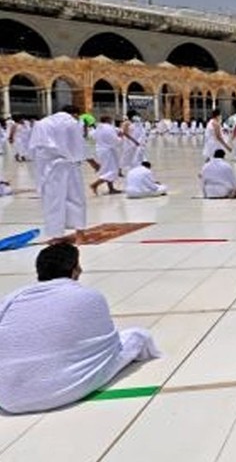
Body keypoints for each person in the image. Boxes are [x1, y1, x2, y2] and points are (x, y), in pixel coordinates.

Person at [0, 243, 160, 414]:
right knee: (137, 336)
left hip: (8, 398)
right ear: (74, 270)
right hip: (63, 389)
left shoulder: (13, 298)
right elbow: (109, 346)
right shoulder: (89, 296)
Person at [28, 106, 87, 240]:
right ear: (74, 114)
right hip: (70, 165)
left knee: (53, 201)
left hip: (50, 168)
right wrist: (77, 158)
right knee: (76, 199)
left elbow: (34, 148)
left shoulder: (42, 123)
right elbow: (78, 145)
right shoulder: (72, 123)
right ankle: (80, 235)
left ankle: (56, 236)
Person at [89, 116, 122, 195]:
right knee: (113, 170)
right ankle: (95, 184)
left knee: (107, 169)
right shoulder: (109, 128)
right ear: (108, 120)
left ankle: (111, 189)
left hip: (100, 150)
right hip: (108, 151)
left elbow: (92, 136)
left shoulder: (99, 127)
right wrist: (120, 137)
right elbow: (115, 140)